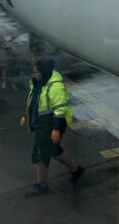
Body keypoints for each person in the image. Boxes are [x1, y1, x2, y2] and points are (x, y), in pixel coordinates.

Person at [20, 57, 84, 196]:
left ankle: (41, 185)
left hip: (51, 123)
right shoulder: (38, 83)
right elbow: (34, 103)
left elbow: (60, 110)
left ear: (44, 72)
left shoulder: (55, 86)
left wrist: (55, 129)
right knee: (52, 151)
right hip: (42, 124)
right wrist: (27, 115)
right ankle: (76, 170)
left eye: (37, 72)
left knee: (43, 153)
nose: (34, 74)